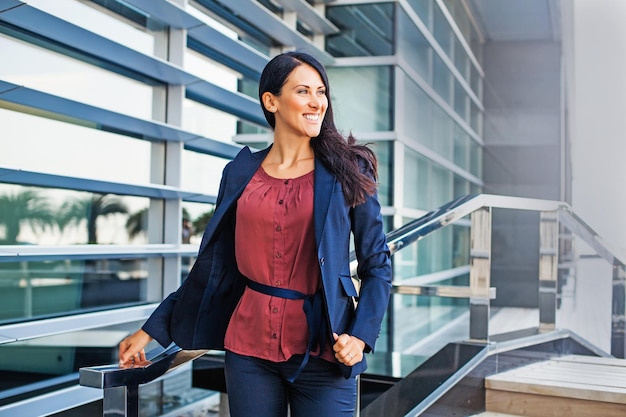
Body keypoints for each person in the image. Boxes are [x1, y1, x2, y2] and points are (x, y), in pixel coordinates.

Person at [118, 50, 392, 417]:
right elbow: (213, 266)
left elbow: (377, 265)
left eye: (321, 92)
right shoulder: (239, 171)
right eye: (303, 92)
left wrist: (360, 337)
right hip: (248, 350)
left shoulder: (348, 169)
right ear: (271, 100)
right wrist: (153, 329)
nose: (317, 102)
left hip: (326, 349)